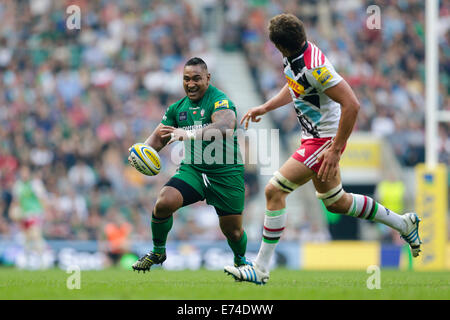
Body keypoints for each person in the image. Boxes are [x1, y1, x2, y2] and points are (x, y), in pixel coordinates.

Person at [224, 14, 421, 285]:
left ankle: (260, 267)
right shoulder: (295, 56)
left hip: (322, 141)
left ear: (279, 46)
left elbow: (352, 104)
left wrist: (335, 149)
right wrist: (266, 106)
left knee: (274, 190)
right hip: (311, 138)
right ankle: (403, 223)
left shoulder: (315, 67)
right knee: (337, 202)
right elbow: (297, 87)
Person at [130, 57, 250, 272]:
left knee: (233, 232)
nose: (191, 84)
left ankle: (240, 261)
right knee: (164, 202)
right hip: (194, 170)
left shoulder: (219, 100)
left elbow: (226, 124)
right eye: (186, 79)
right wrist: (142, 152)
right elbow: (158, 138)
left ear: (207, 78)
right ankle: (158, 251)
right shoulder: (178, 109)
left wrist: (189, 134)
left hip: (226, 173)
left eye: (196, 78)